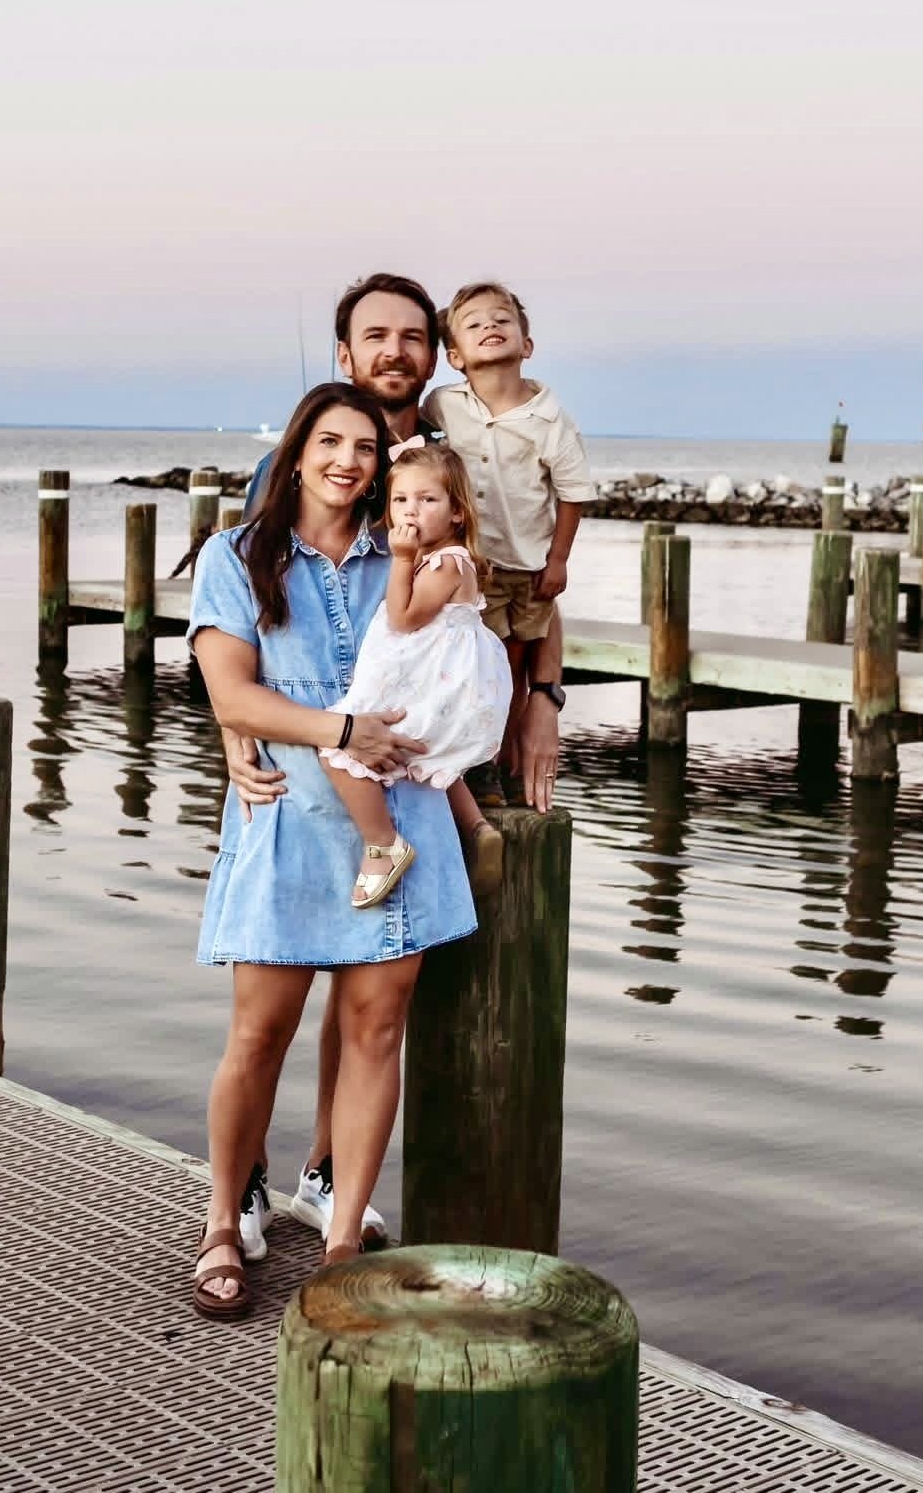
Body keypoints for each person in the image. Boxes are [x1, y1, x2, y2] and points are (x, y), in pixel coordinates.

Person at [224, 274, 570, 1261]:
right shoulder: (307, 456)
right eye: (374, 336)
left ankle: (329, 1172)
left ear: (437, 353)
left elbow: (525, 574)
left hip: (421, 740)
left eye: (412, 336)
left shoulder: (452, 448)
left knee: (373, 983)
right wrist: (235, 729)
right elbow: (244, 599)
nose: (395, 350)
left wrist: (542, 697)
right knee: (276, 989)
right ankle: (240, 1183)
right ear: (343, 354)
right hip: (312, 749)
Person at [186, 383, 476, 1319]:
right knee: (258, 1034)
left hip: (402, 828)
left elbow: (462, 660)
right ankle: (225, 1221)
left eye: (366, 446)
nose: (349, 460)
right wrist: (337, 726)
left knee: (374, 1032)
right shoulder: (239, 558)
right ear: (298, 450)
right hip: (286, 819)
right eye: (330, 441)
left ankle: (343, 1234)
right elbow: (234, 696)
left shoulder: (411, 555)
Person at [318, 437, 513, 906]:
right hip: (440, 683)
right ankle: (477, 829)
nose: (411, 511)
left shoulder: (445, 563)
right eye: (401, 499)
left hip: (432, 687)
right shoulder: (444, 561)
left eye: (427, 500)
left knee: (337, 747)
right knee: (434, 769)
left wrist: (401, 558)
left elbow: (404, 618)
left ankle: (383, 843)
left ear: (457, 512)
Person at [425, 281, 593, 782]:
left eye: (502, 320)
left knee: (513, 668)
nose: (490, 327)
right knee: (475, 664)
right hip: (471, 563)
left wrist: (558, 560)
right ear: (455, 355)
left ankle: (500, 760)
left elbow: (573, 491)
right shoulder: (443, 405)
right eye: (474, 324)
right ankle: (469, 759)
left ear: (527, 345)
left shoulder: (549, 419)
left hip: (527, 567)